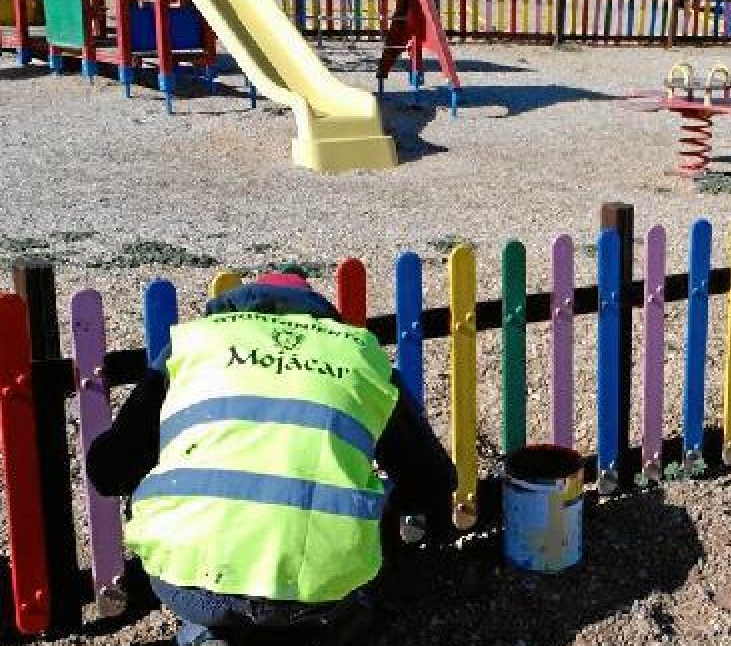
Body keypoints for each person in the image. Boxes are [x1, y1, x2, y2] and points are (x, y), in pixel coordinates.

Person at [87, 267, 456, 646]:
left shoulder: (194, 345)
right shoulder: (357, 354)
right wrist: (382, 502)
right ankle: (329, 619)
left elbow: (108, 470)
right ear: (317, 310)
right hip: (320, 582)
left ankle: (206, 632)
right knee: (362, 523)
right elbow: (434, 480)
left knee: (166, 511)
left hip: (194, 578)